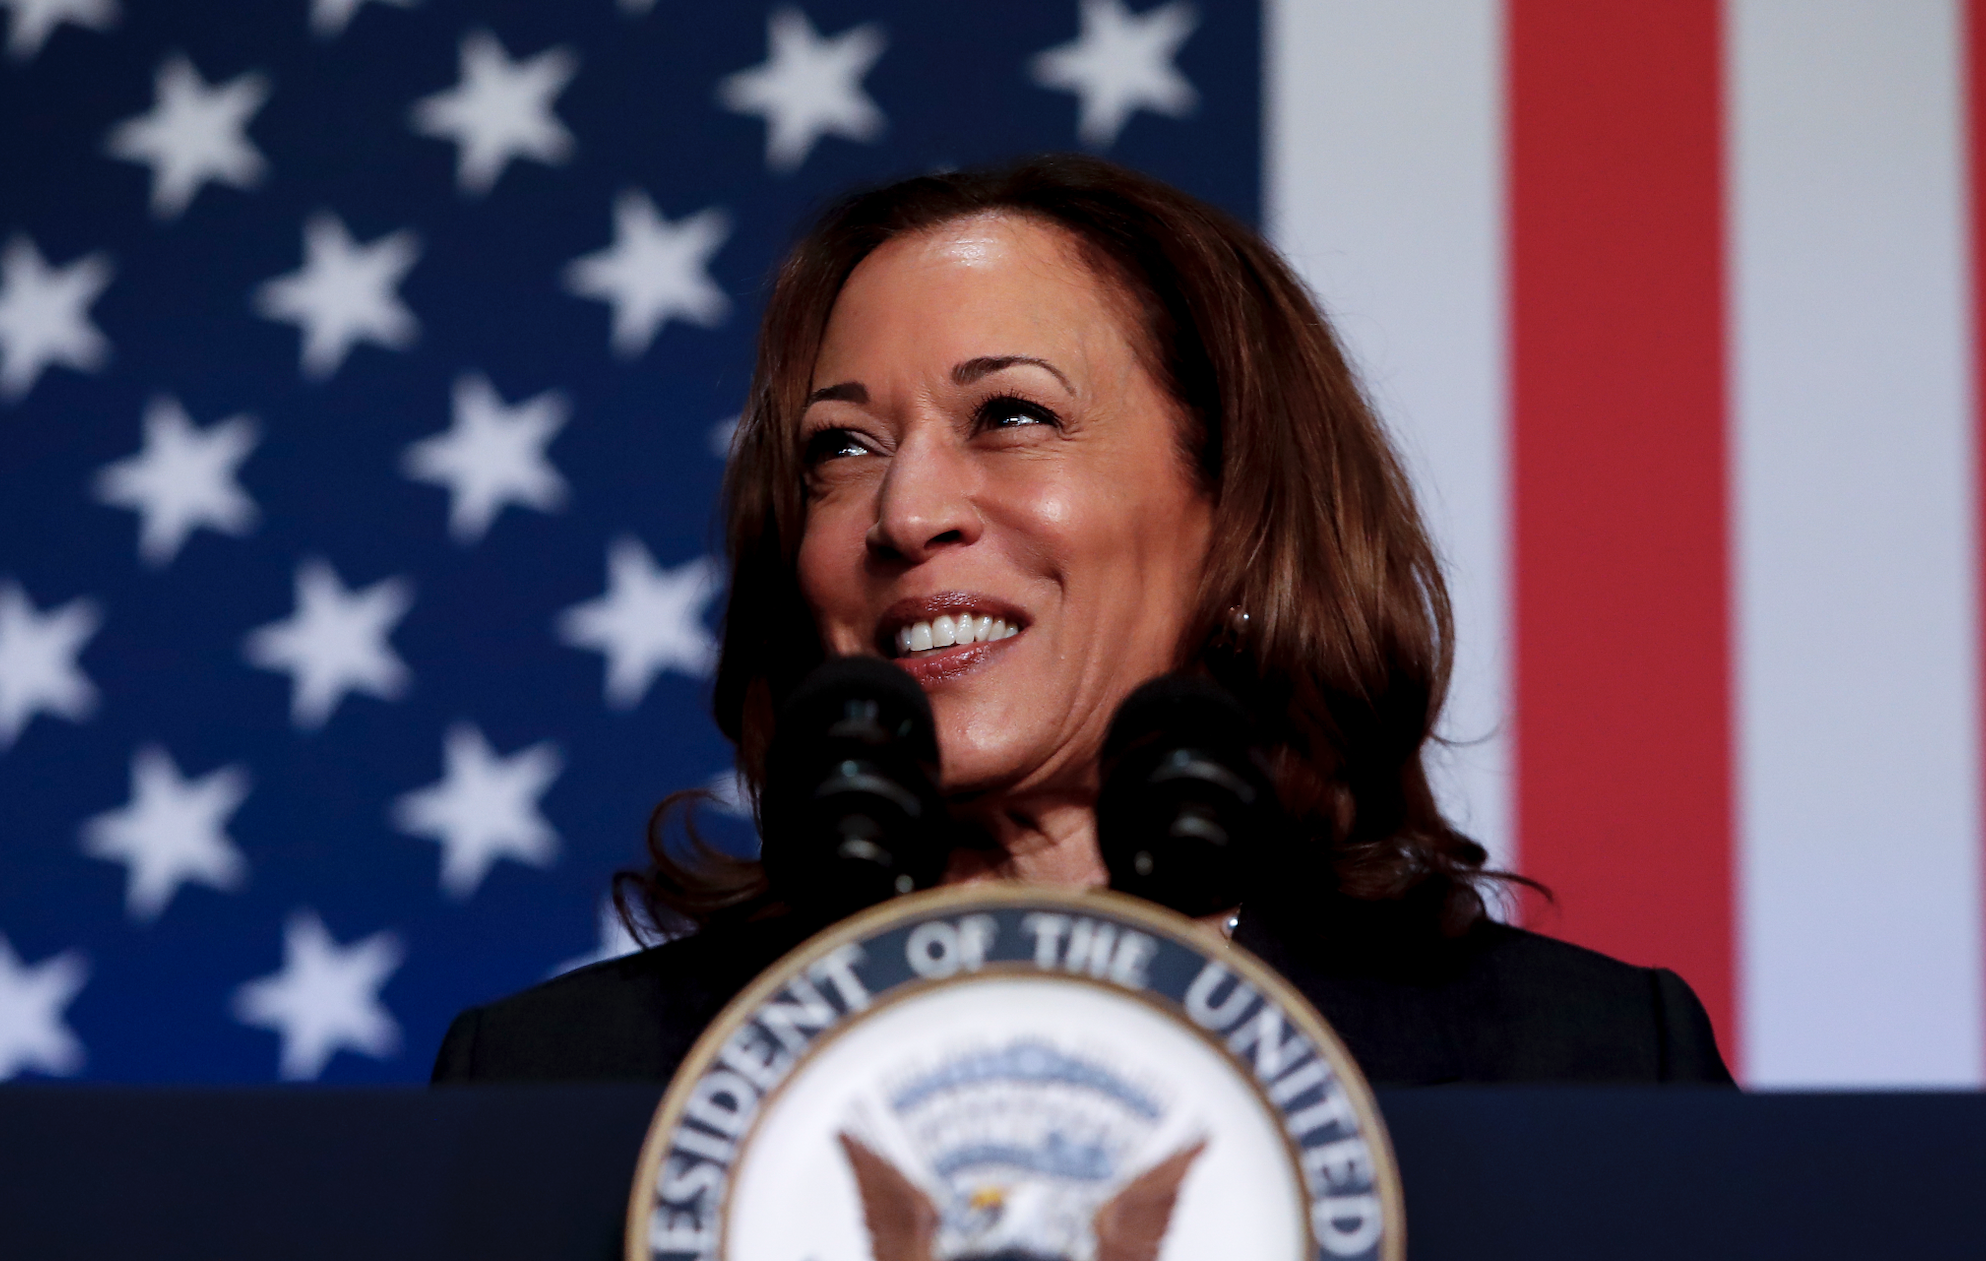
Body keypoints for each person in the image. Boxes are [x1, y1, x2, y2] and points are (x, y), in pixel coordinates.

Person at [432, 154, 1731, 1087]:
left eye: (1009, 414)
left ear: (1234, 513)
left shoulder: (1586, 1072)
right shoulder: (562, 1088)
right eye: (839, 447)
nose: (904, 510)